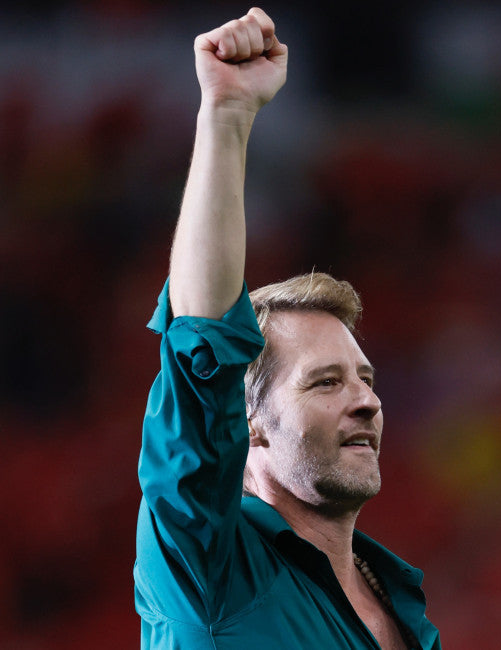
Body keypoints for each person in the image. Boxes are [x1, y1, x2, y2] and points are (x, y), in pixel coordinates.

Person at [134, 8, 441, 649]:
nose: (366, 401)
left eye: (364, 379)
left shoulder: (403, 604)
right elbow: (201, 344)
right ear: (249, 421)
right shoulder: (208, 567)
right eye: (325, 382)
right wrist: (227, 115)